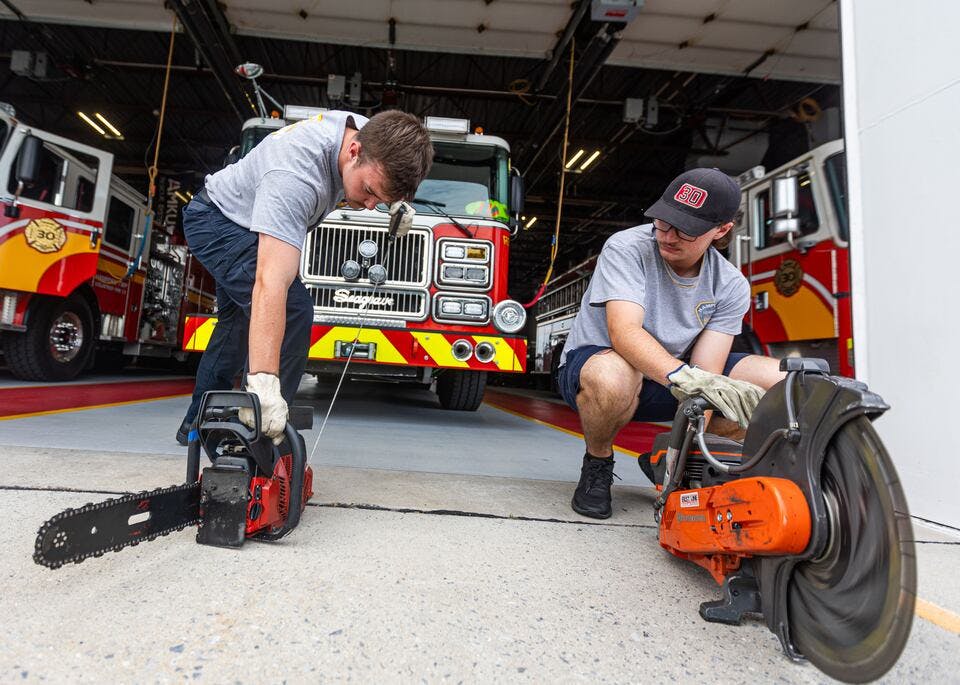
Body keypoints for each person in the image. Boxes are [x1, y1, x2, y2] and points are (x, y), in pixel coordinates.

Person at [176, 110, 433, 444]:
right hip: (218, 222)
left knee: (237, 326)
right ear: (354, 152)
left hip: (237, 217)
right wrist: (265, 383)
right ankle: (263, 428)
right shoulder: (295, 176)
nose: (371, 206)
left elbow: (392, 136)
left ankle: (196, 425)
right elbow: (271, 283)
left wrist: (396, 202)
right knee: (294, 309)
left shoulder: (365, 135)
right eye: (370, 191)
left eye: (380, 200)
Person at [555, 168, 785, 519]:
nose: (668, 235)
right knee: (615, 373)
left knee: (779, 383)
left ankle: (673, 462)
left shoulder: (731, 285)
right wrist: (686, 378)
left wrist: (694, 424)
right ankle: (597, 463)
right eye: (664, 221)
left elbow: (707, 370)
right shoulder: (627, 248)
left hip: (673, 377)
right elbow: (625, 333)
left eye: (686, 228)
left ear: (721, 230)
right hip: (601, 367)